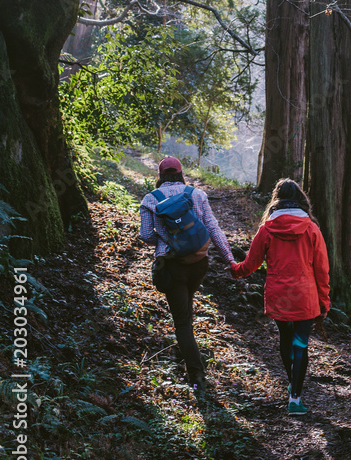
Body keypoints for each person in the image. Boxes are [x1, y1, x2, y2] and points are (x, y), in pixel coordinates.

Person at [230, 178, 331, 416]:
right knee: (300, 344)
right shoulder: (312, 229)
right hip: (305, 296)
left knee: (285, 340)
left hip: (279, 295)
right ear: (299, 200)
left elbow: (251, 264)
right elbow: (322, 269)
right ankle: (295, 396)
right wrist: (324, 301)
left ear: (276, 199)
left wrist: (234, 270)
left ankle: (291, 384)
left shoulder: (266, 229)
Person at [139, 156, 234, 392]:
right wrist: (229, 259)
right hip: (199, 264)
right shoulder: (197, 195)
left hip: (172, 266)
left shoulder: (150, 199)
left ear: (160, 175)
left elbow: (146, 235)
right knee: (186, 310)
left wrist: (165, 237)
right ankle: (191, 356)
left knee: (182, 322)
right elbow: (213, 228)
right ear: (181, 173)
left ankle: (196, 374)